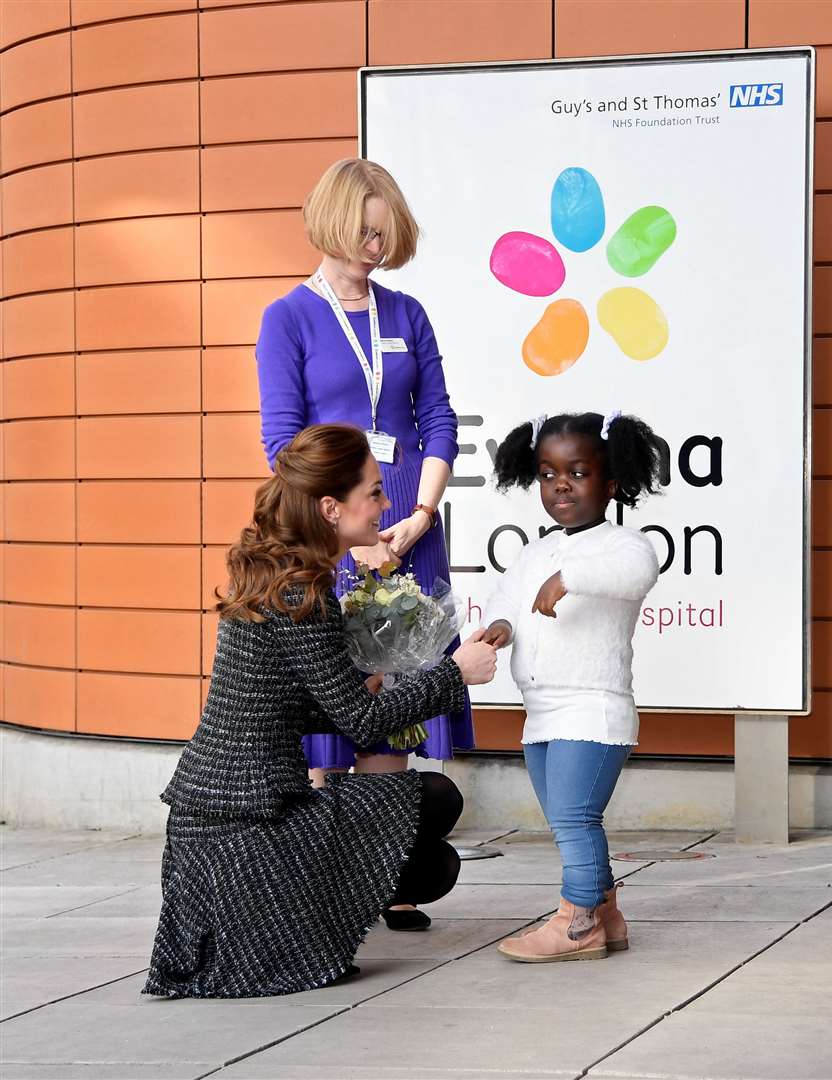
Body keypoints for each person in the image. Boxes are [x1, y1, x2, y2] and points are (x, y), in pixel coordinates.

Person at [144, 424, 499, 998]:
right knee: (434, 832)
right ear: (332, 508)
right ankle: (293, 930)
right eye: (376, 492)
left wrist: (368, 684)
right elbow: (359, 725)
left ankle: (305, 923)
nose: (387, 504)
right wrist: (454, 673)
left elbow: (293, 708)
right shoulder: (301, 590)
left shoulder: (284, 573)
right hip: (243, 836)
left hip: (218, 829)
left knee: (429, 849)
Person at [256, 158, 470, 932]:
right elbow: (283, 442)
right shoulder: (288, 318)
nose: (375, 247)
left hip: (410, 524)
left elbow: (440, 417)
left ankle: (390, 874)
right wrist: (351, 536)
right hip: (335, 534)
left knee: (399, 705)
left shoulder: (408, 313)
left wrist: (420, 511)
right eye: (364, 232)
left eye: (386, 233)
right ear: (333, 222)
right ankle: (329, 880)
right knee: (337, 705)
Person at [481, 411, 664, 963]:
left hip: (592, 709)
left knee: (574, 818)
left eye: (578, 472)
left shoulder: (623, 544)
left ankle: (576, 922)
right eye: (547, 473)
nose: (560, 484)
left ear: (610, 484)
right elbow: (508, 600)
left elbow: (639, 572)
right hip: (541, 713)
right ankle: (606, 914)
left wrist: (570, 578)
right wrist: (500, 628)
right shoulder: (535, 553)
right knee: (568, 816)